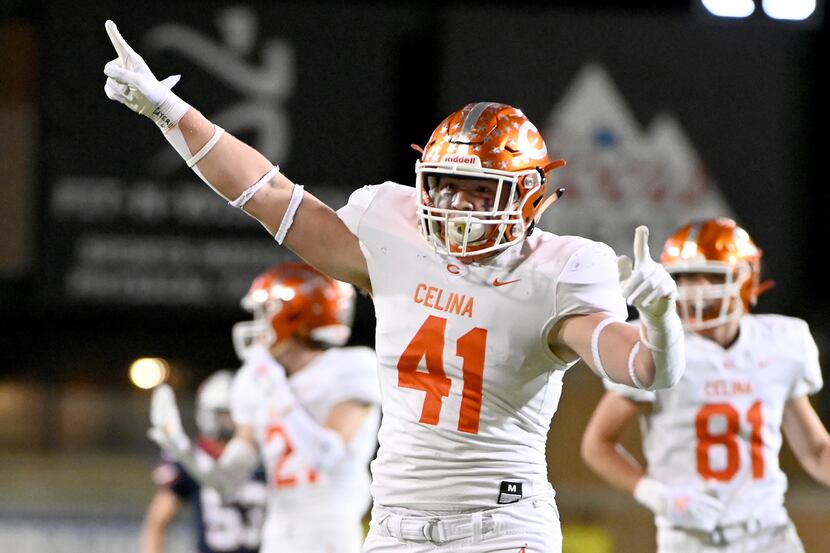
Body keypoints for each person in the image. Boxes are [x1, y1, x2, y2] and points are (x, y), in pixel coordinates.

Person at [103, 20, 686, 552]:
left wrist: (658, 320)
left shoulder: (557, 271)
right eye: (447, 185)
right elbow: (269, 194)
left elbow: (642, 369)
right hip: (393, 526)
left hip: (503, 527)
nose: (459, 204)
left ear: (528, 195)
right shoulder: (394, 230)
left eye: (480, 190)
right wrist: (171, 113)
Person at [580, 217, 830, 553]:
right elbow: (598, 444)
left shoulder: (782, 341)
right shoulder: (659, 348)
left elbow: (815, 450)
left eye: (707, 274)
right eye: (682, 276)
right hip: (692, 539)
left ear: (746, 276)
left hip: (770, 534)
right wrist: (656, 494)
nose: (693, 288)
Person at [147, 261, 381, 552]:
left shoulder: (351, 366)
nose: (258, 323)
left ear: (296, 313)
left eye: (265, 311)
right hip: (276, 534)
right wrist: (182, 447)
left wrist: (275, 388)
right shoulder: (256, 381)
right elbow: (227, 482)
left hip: (329, 534)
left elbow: (325, 454)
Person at [141, 370, 267, 553]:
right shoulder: (194, 459)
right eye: (226, 414)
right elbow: (156, 523)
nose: (234, 422)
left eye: (240, 414)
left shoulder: (269, 456)